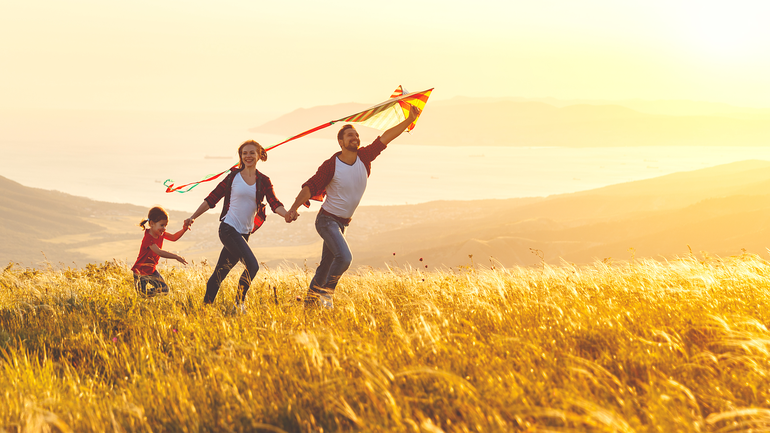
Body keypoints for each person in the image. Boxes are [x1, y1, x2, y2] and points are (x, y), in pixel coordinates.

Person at [285, 105, 421, 309]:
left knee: (325, 267)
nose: (355, 138)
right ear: (340, 142)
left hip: (342, 224)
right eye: (349, 135)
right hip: (326, 221)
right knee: (345, 257)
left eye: (356, 135)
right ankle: (326, 294)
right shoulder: (331, 165)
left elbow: (387, 137)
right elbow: (310, 186)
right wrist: (293, 208)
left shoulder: (365, 157)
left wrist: (409, 119)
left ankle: (309, 307)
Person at [185, 140, 293, 312]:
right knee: (253, 266)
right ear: (240, 156)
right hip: (228, 229)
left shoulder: (263, 180)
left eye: (251, 153)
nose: (248, 156)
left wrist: (287, 214)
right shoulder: (232, 177)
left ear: (259, 155)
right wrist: (193, 217)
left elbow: (274, 203)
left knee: (221, 272)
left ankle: (204, 308)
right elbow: (211, 199)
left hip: (244, 233)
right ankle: (238, 304)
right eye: (244, 153)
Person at [131, 206, 189, 296]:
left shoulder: (160, 234)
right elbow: (159, 252)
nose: (164, 228)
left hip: (151, 271)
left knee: (164, 290)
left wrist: (184, 229)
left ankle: (147, 298)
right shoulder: (148, 238)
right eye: (162, 225)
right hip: (140, 272)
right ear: (152, 224)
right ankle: (145, 298)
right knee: (142, 295)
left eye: (165, 225)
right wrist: (176, 257)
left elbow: (173, 237)